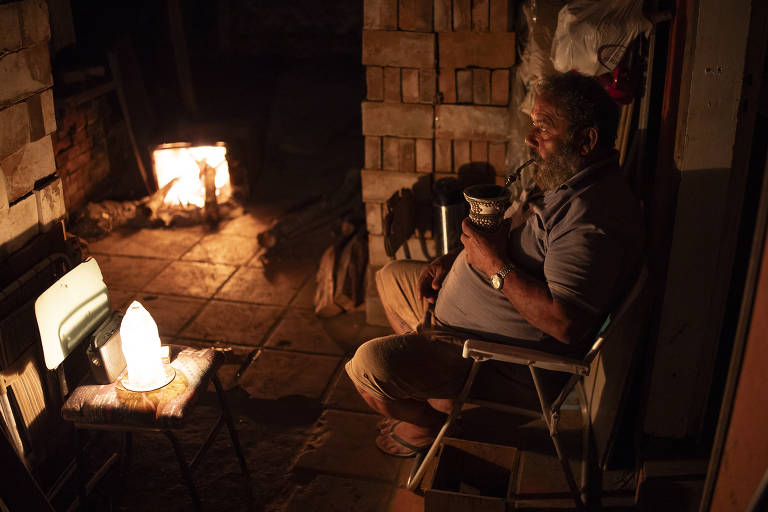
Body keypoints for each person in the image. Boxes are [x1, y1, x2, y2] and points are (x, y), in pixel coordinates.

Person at [346, 71, 644, 457]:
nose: (530, 138)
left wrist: (491, 267)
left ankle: (434, 425)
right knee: (389, 277)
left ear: (587, 139)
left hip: (489, 356)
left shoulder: (590, 218)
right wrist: (454, 260)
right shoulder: (566, 178)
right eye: (533, 125)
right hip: (456, 322)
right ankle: (437, 394)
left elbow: (565, 323)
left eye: (545, 128)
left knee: (366, 369)